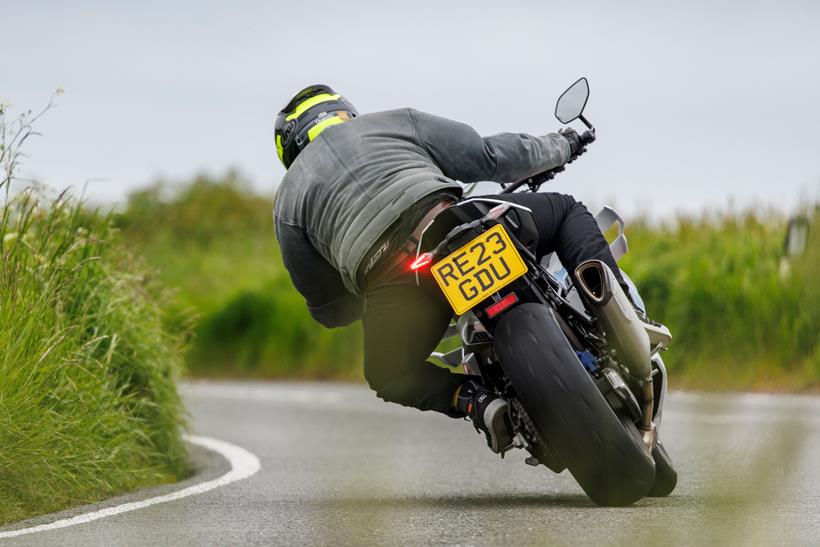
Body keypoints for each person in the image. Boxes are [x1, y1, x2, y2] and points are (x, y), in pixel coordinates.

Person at [274, 84, 632, 453]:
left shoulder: (287, 202)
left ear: (292, 146)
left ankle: (476, 401)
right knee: (566, 210)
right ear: (344, 111)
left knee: (388, 375)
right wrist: (565, 143)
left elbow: (329, 308)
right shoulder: (393, 122)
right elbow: (491, 156)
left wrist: (361, 296)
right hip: (449, 220)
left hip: (393, 276)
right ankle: (620, 316)